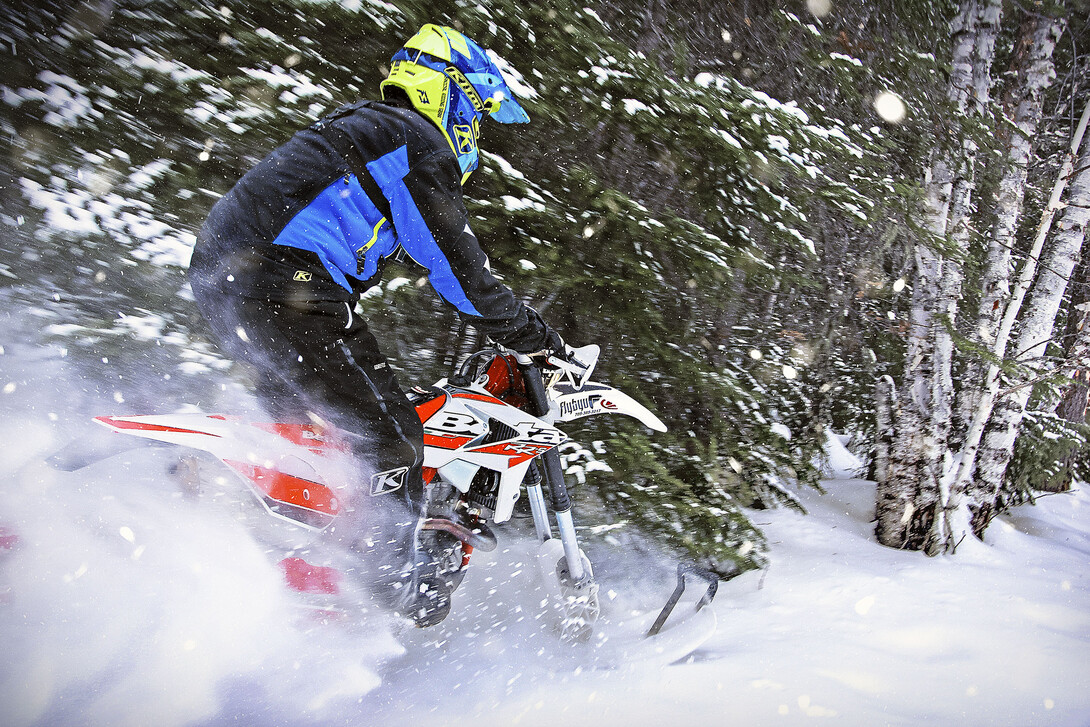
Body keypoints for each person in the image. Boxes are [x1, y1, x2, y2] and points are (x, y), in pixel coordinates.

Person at [186, 24, 564, 626]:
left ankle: (296, 570)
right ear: (452, 92)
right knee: (390, 437)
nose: (475, 130)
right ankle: (383, 589)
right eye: (475, 111)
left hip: (238, 281)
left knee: (312, 439)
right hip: (287, 285)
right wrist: (533, 337)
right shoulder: (411, 140)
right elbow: (457, 266)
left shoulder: (368, 134)